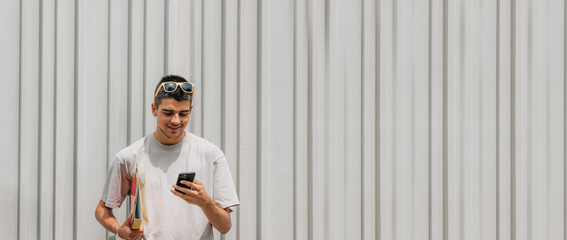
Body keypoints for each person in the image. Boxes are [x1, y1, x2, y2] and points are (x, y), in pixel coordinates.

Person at [95, 75, 239, 240]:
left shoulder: (211, 155)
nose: (176, 120)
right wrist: (119, 230)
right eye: (168, 113)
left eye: (183, 113)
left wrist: (205, 202)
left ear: (191, 110)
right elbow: (102, 209)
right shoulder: (129, 156)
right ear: (154, 109)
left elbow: (225, 226)